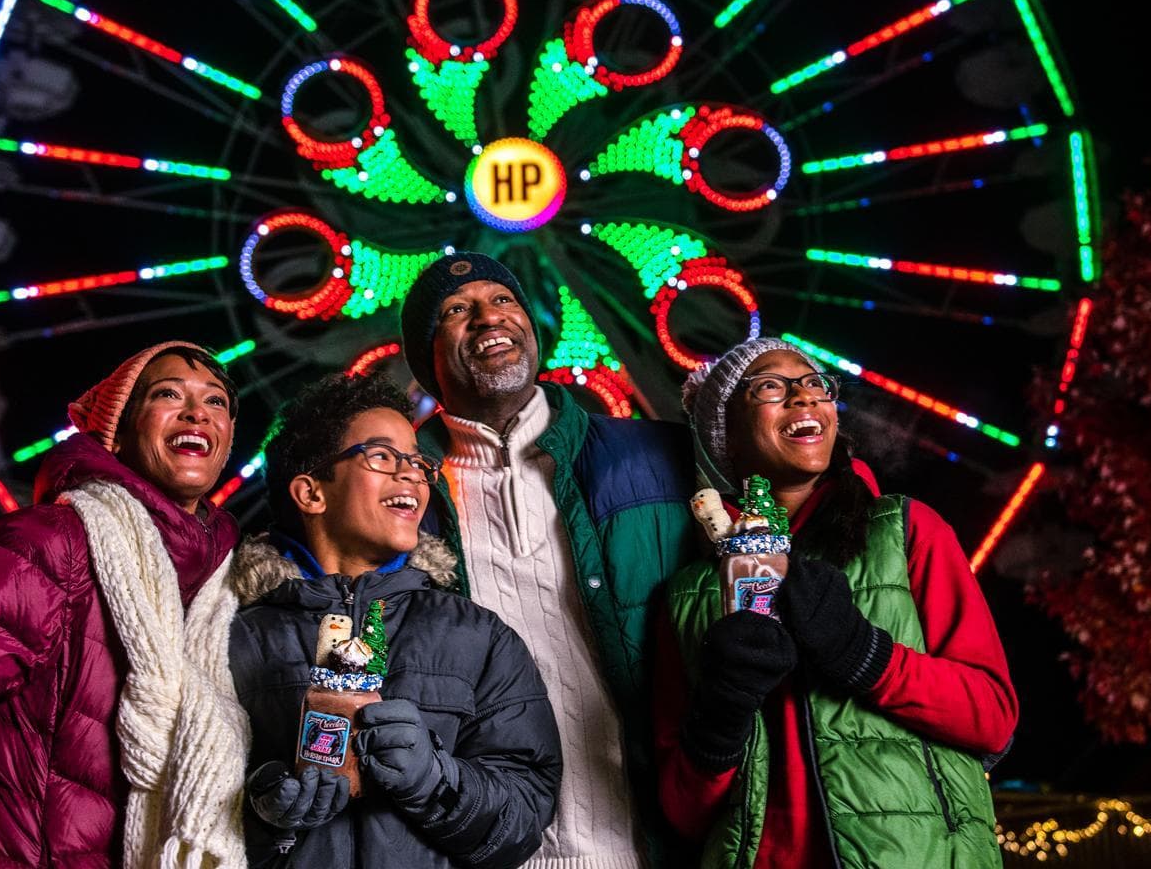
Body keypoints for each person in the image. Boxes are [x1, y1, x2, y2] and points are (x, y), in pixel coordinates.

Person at [0, 342, 247, 868]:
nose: (197, 412)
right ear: (116, 431)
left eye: (216, 402)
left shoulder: (229, 594)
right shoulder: (52, 544)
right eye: (168, 394)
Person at [653, 338, 1017, 867]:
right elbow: (682, 813)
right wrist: (721, 714)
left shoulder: (907, 531)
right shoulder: (688, 595)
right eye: (771, 387)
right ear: (724, 434)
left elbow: (993, 717)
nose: (804, 398)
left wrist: (865, 655)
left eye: (815, 384)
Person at [397, 252, 697, 868]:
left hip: (659, 836)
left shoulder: (662, 458)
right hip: (489, 846)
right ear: (427, 360)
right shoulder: (401, 504)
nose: (486, 319)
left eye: (502, 300)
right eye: (456, 311)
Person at [228, 374, 561, 867]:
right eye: (382, 456)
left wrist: (436, 782)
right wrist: (262, 815)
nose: (412, 474)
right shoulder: (235, 636)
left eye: (417, 461)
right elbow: (179, 806)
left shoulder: (478, 636)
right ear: (311, 493)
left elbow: (528, 814)